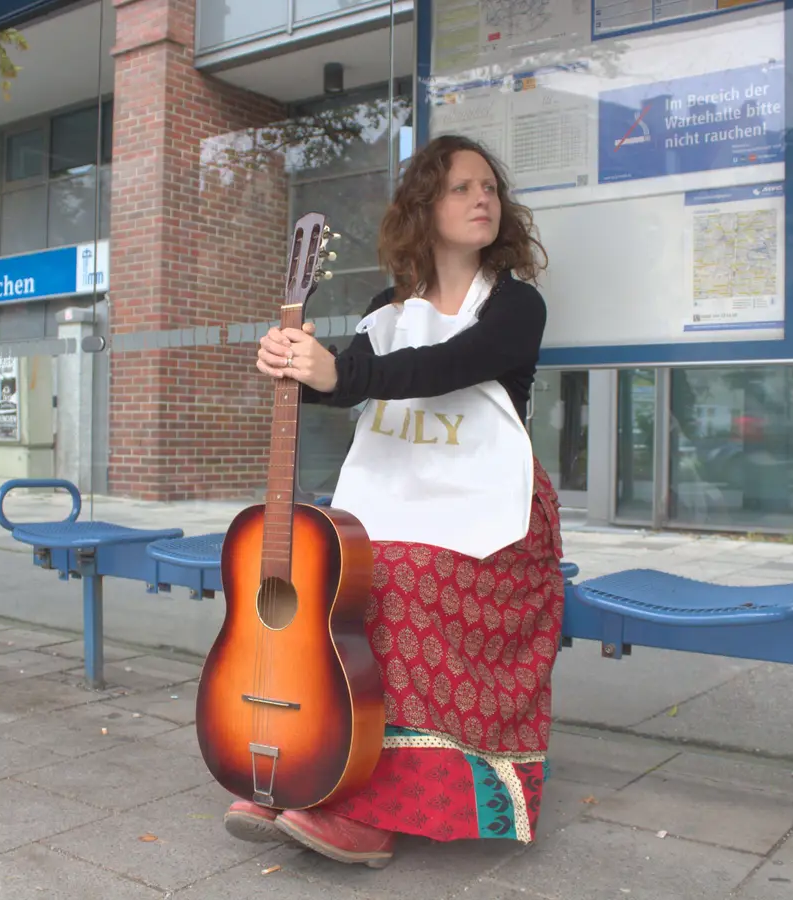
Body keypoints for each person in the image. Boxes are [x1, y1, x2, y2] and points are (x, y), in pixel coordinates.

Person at [230, 134, 562, 867]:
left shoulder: (516, 306)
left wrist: (338, 374)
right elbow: (348, 376)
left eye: (489, 188)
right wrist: (294, 366)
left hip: (491, 516)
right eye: (461, 188)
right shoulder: (386, 308)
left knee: (401, 579)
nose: (482, 199)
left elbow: (442, 367)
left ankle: (371, 813)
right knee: (328, 580)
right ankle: (304, 768)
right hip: (400, 503)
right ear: (424, 207)